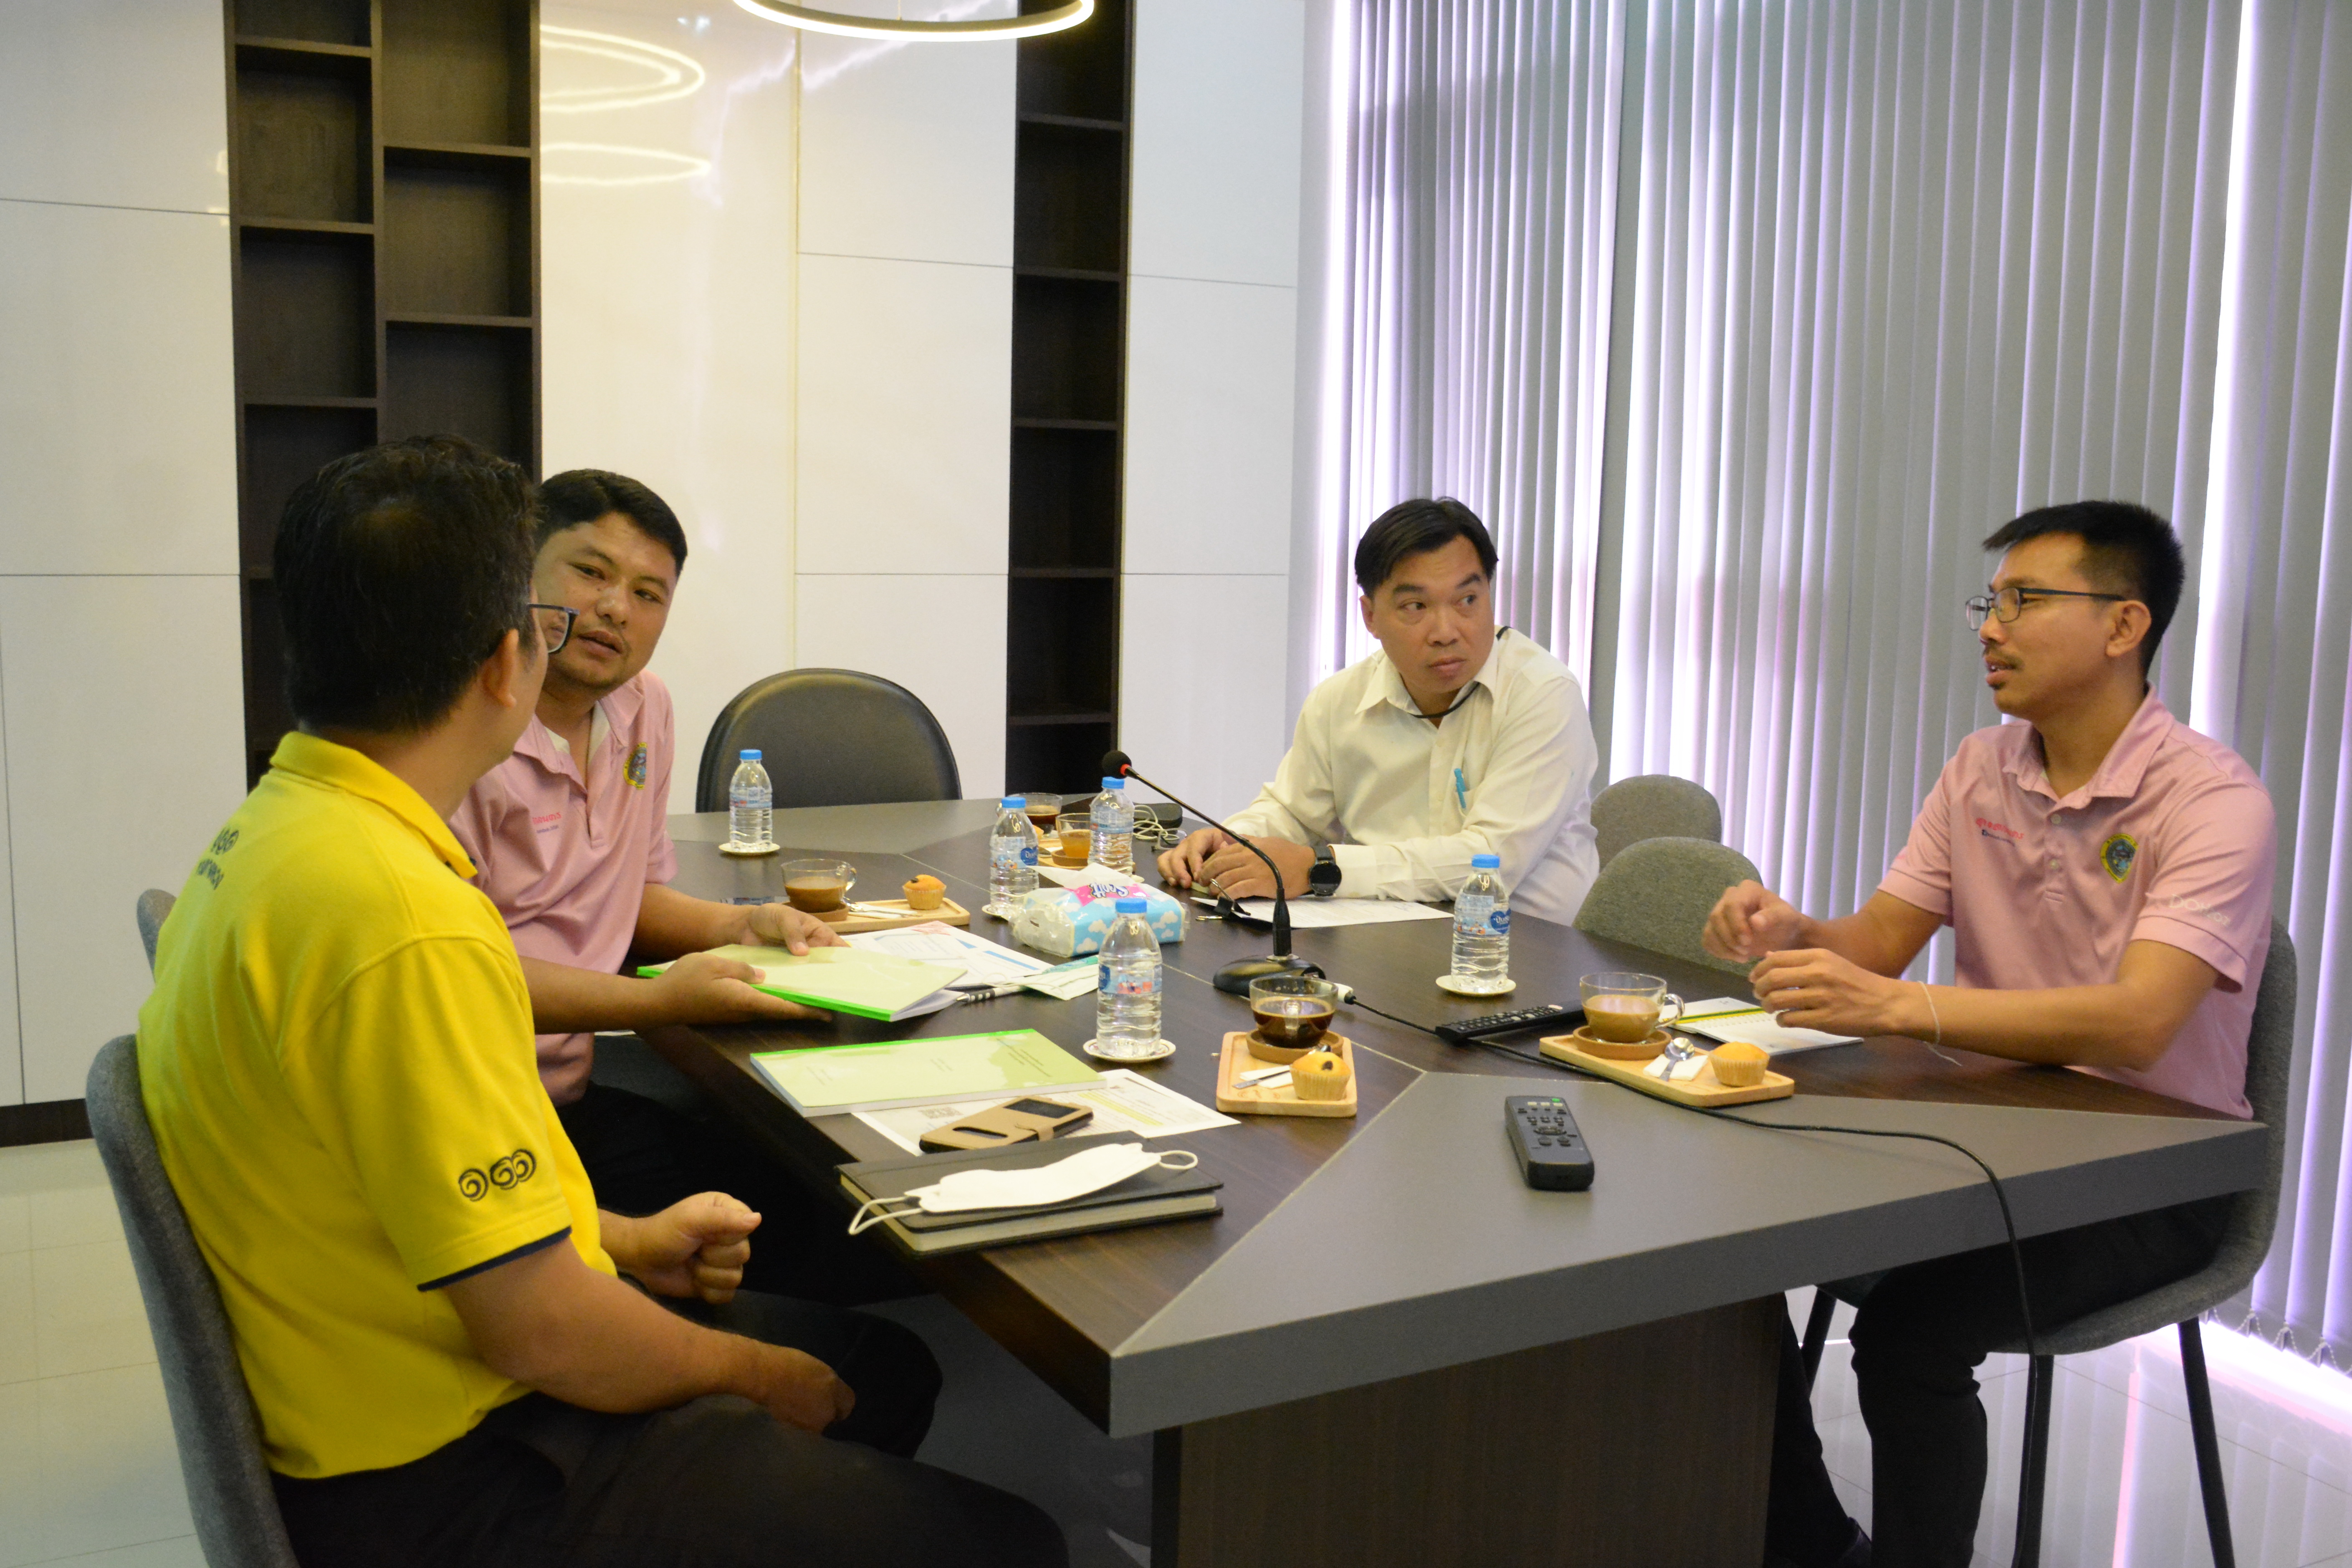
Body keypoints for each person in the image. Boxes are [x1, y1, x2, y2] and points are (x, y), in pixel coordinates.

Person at [138, 438, 1065, 1568]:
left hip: (381, 1358)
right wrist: (758, 1376)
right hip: (445, 1463)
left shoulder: (281, 830)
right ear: (508, 662)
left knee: (879, 1369)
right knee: (1007, 1536)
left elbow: (419, 1203)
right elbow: (539, 1327)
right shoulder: (402, 920)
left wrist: (620, 1238)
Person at [1704, 501, 2276, 1568]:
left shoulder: (2212, 798)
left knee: (1908, 1336)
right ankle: (1809, 1543)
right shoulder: (1981, 766)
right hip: (1986, 1135)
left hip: (2148, 1177)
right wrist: (1795, 931)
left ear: (2123, 625)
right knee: (1717, 1257)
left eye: (2024, 600)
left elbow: (2140, 1022)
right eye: (1991, 601)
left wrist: (1906, 1009)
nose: (1990, 627)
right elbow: (1878, 942)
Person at [447, 471, 850, 1258]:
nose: (614, 608)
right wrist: (659, 1001)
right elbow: (452, 974)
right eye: (590, 572)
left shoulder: (644, 707)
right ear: (519, 574)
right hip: (474, 1117)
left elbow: (624, 898)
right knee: (779, 1235)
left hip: (567, 1094)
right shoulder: (464, 729)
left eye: (647, 593)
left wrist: (744, 925)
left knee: (808, 1205)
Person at [1156, 497, 1601, 924]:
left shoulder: (1542, 694)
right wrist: (1231, 843)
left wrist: (1320, 869)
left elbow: (1489, 861)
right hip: (1385, 935)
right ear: (1370, 616)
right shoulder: (1340, 701)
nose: (1446, 631)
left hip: (1522, 948)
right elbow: (1293, 813)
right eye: (1416, 607)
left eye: (1467, 600)